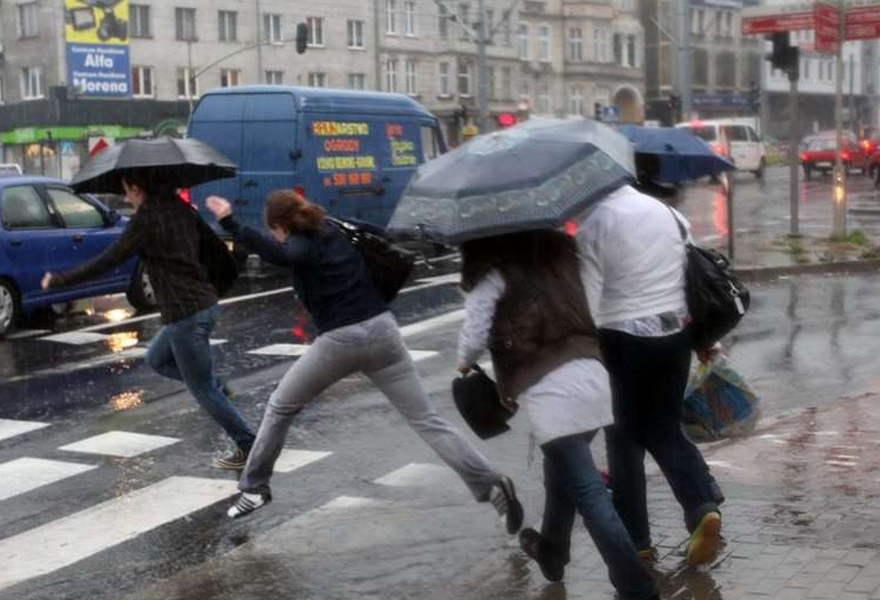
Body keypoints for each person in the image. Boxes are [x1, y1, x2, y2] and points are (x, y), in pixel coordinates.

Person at [205, 191, 523, 532]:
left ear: (280, 226)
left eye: (275, 232)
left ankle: (254, 487)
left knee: (280, 406)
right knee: (428, 420)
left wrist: (230, 222)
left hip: (342, 340)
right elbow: (385, 234)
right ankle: (490, 483)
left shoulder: (301, 243)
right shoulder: (338, 225)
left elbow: (282, 255)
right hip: (384, 332)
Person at [457, 229, 659, 600]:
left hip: (552, 395)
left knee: (589, 493)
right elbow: (594, 304)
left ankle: (636, 587)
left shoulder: (493, 271)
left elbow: (474, 332)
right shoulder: (562, 256)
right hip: (594, 377)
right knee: (561, 475)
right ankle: (552, 552)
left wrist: (464, 363)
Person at [42, 168, 256, 471]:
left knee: (202, 390)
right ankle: (216, 384)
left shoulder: (145, 220)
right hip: (202, 304)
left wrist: (61, 280)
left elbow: (109, 260)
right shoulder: (180, 209)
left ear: (134, 187)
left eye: (126, 190)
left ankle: (249, 444)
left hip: (186, 312)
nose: (126, 197)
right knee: (156, 358)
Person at [576, 182, 726, 567]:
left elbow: (589, 299)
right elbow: (688, 275)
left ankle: (638, 541)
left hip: (620, 340)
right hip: (674, 335)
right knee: (664, 427)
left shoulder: (595, 223)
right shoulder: (670, 216)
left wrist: (582, 350)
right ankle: (701, 507)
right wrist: (701, 338)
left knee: (623, 438)